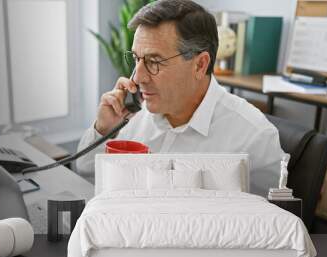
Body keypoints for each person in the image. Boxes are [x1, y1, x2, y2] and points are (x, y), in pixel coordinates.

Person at [76, 0, 285, 197]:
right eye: (136, 59)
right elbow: (86, 171)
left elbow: (269, 226)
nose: (138, 77)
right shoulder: (134, 116)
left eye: (154, 61)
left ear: (200, 65)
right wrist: (102, 130)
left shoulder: (255, 138)